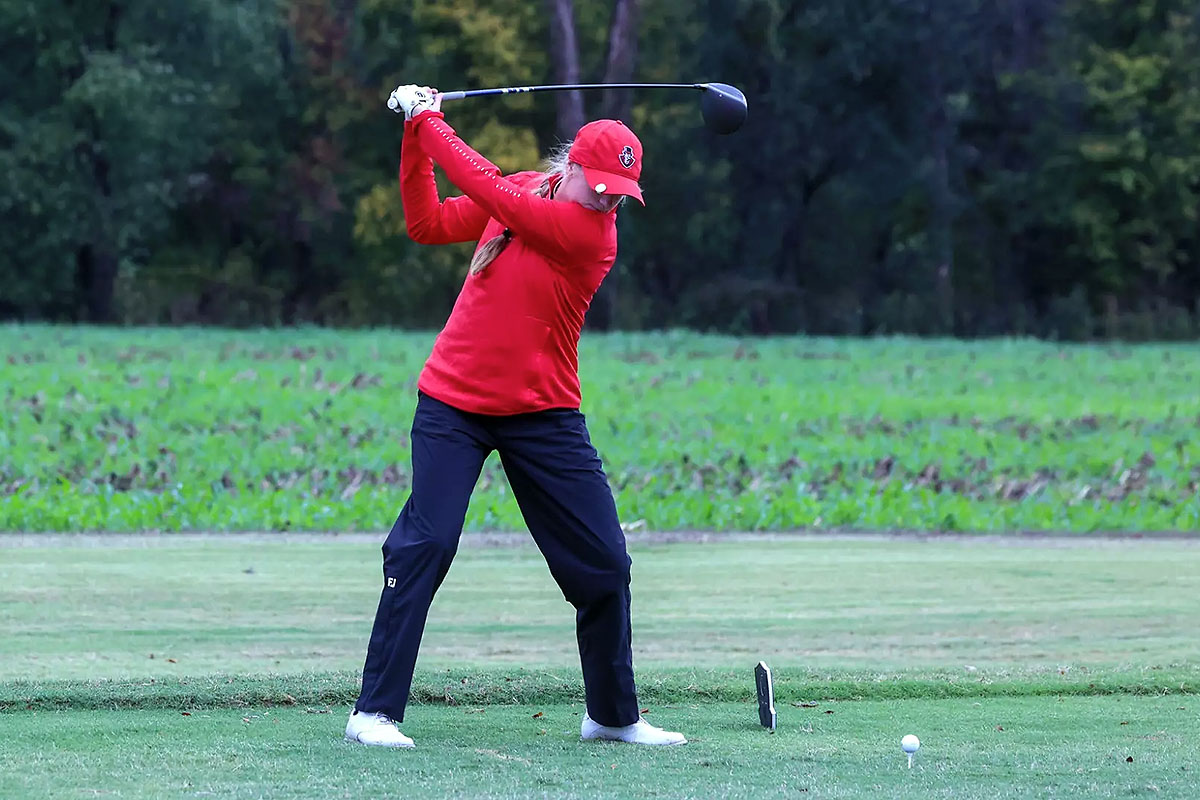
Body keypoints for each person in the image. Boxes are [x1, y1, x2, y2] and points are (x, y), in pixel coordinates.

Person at [344, 84, 686, 749]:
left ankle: (613, 717)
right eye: (605, 184)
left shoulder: (591, 234)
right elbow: (427, 222)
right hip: (454, 400)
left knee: (605, 561)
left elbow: (491, 188)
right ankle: (373, 715)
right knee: (427, 543)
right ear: (576, 168)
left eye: (624, 190)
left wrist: (430, 119)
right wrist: (415, 139)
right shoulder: (534, 188)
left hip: (544, 412)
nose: (614, 198)